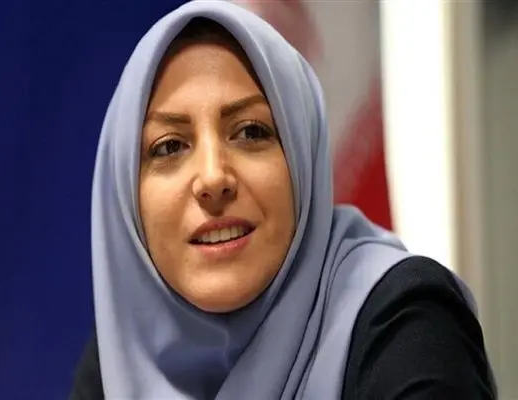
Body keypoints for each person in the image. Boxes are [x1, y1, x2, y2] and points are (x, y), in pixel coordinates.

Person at [70, 1, 496, 399]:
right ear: (127, 197)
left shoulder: (405, 321)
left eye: (250, 132)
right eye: (169, 146)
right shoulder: (120, 360)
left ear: (300, 156)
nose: (213, 177)